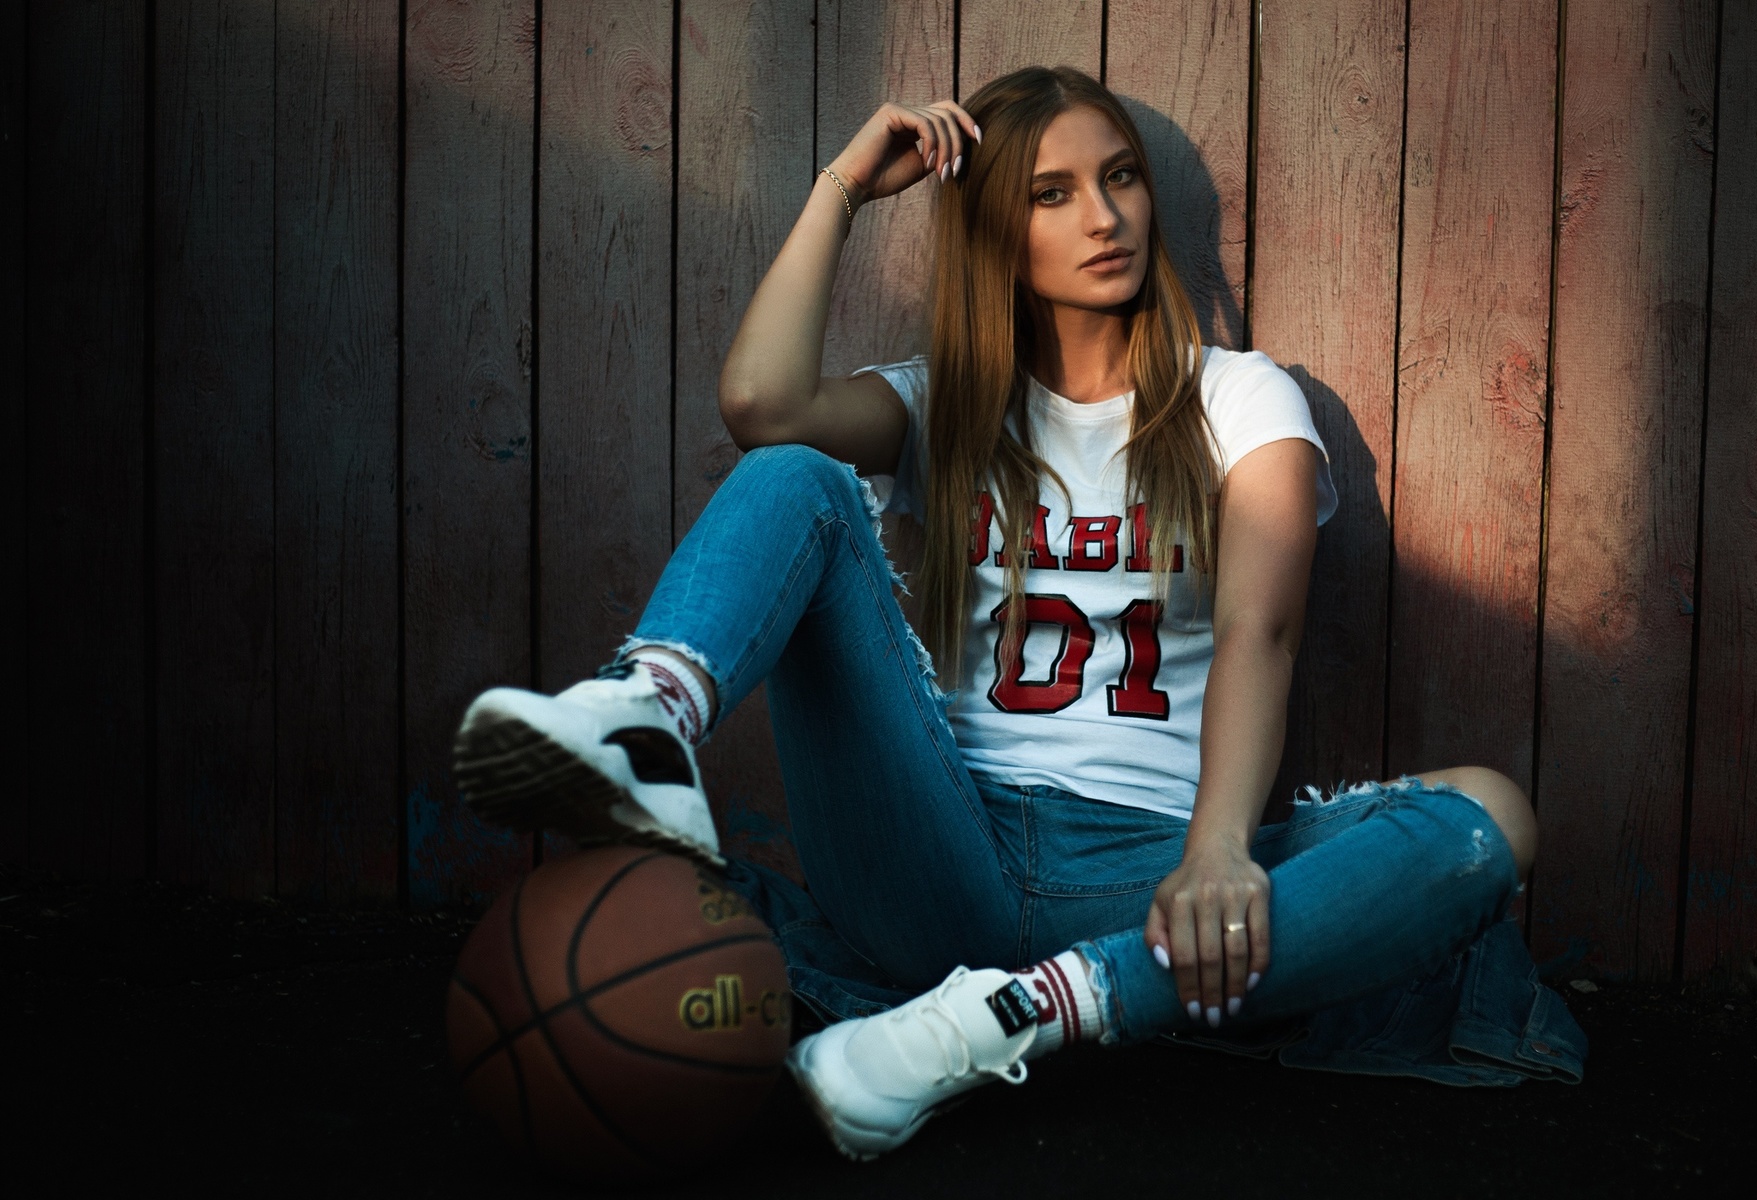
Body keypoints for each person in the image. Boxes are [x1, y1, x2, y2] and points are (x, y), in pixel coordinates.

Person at [451, 65, 1583, 1163]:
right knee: (797, 474)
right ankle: (649, 712)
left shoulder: (1241, 396)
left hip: (1137, 880)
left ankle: (1012, 1017)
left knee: (1487, 817)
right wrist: (842, 188)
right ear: (999, 229)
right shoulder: (943, 401)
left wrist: (1219, 852)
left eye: (1122, 178)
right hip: (937, 844)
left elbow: (1259, 632)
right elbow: (761, 402)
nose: (1105, 216)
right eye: (1053, 193)